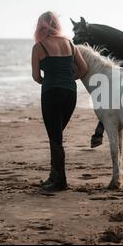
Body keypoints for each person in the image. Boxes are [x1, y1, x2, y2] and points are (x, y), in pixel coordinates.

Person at [31, 11, 88, 191]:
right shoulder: (70, 44)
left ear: (40, 26)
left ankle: (61, 181)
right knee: (56, 136)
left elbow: (36, 77)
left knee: (55, 137)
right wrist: (69, 79)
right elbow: (83, 68)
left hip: (51, 94)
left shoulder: (39, 47)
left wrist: (48, 81)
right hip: (70, 93)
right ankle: (54, 176)